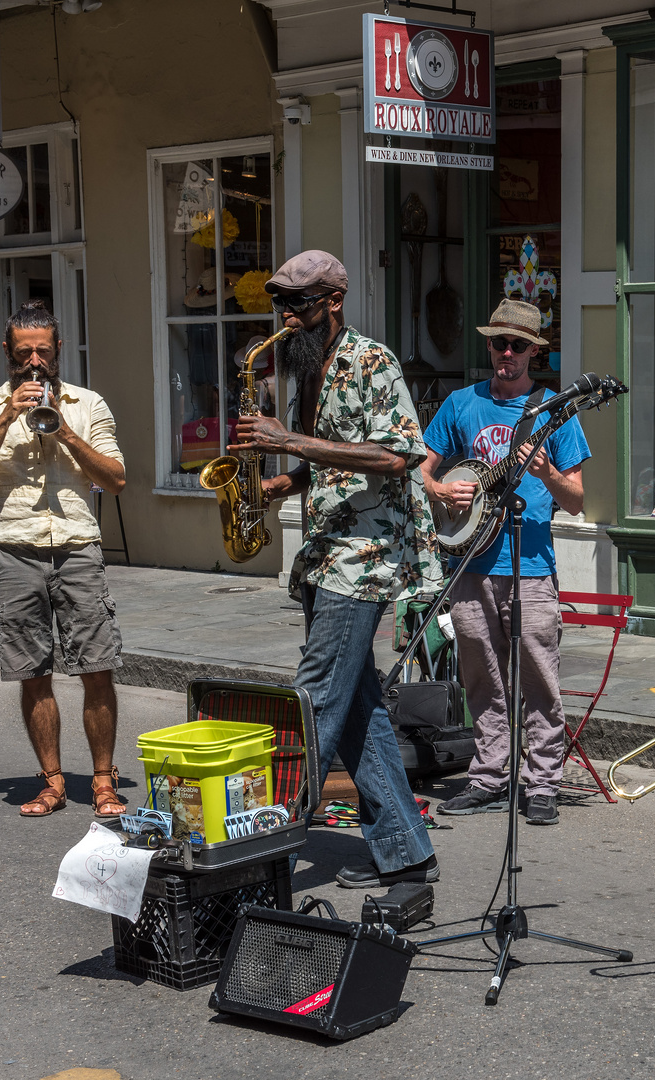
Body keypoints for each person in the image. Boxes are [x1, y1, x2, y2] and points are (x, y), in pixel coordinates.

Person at [231, 249, 443, 889]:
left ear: (333, 301)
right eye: (281, 305)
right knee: (354, 708)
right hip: (329, 547)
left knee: (315, 695)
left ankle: (265, 849)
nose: (287, 317)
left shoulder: (372, 361)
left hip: (367, 555)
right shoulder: (306, 368)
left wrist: (287, 440)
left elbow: (398, 454)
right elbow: (331, 459)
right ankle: (407, 852)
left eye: (298, 304)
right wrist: (280, 484)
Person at [0, 301, 128, 818]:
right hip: (14, 548)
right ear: (7, 353)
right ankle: (52, 782)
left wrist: (65, 432)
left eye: (43, 351)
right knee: (32, 672)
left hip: (77, 545)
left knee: (97, 668)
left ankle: (102, 780)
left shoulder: (88, 404)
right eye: (24, 351)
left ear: (57, 353)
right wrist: (10, 415)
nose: (34, 361)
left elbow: (116, 480)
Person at [420, 299, 591, 828]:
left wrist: (545, 472)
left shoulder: (553, 413)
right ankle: (488, 776)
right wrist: (443, 491)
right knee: (481, 678)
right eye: (499, 343)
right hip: (470, 563)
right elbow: (421, 471)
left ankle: (542, 783)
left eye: (518, 346)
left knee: (539, 677)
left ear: (535, 353)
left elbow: (577, 500)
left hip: (531, 565)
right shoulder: (461, 403)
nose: (507, 354)